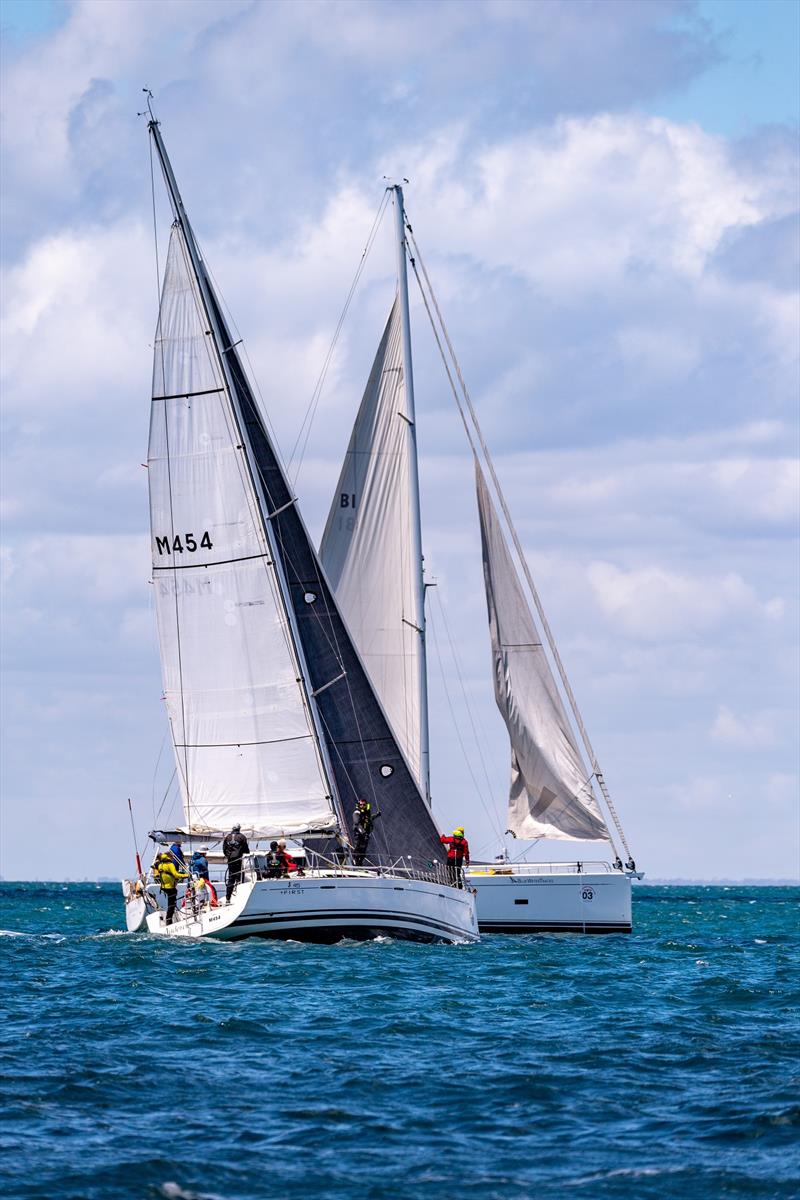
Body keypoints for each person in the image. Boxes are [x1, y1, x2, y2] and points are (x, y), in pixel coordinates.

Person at [154, 851, 188, 925]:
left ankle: (169, 920)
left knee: (171, 904)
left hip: (164, 887)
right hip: (170, 888)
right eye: (172, 857)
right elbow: (175, 874)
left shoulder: (161, 865)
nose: (173, 858)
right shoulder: (170, 864)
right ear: (169, 857)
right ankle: (168, 921)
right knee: (171, 905)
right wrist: (186, 875)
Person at [222, 823, 250, 902]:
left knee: (231, 878)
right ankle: (239, 898)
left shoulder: (227, 837)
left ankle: (228, 898)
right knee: (240, 878)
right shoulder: (242, 837)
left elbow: (224, 849)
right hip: (239, 860)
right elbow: (246, 849)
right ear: (239, 828)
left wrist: (229, 856)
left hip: (231, 861)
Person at [352, 798, 378, 866]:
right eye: (361, 805)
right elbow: (357, 823)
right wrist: (363, 833)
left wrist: (377, 815)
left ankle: (360, 864)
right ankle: (355, 863)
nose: (362, 806)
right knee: (358, 848)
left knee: (363, 850)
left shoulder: (366, 813)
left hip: (366, 834)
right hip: (359, 834)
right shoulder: (357, 813)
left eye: (364, 805)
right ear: (359, 805)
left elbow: (369, 819)